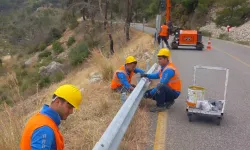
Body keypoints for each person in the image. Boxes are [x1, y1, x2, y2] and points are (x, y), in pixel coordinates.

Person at [20, 84, 83, 150]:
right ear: (57, 101)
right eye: (69, 107)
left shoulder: (42, 118)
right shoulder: (44, 128)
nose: (71, 111)